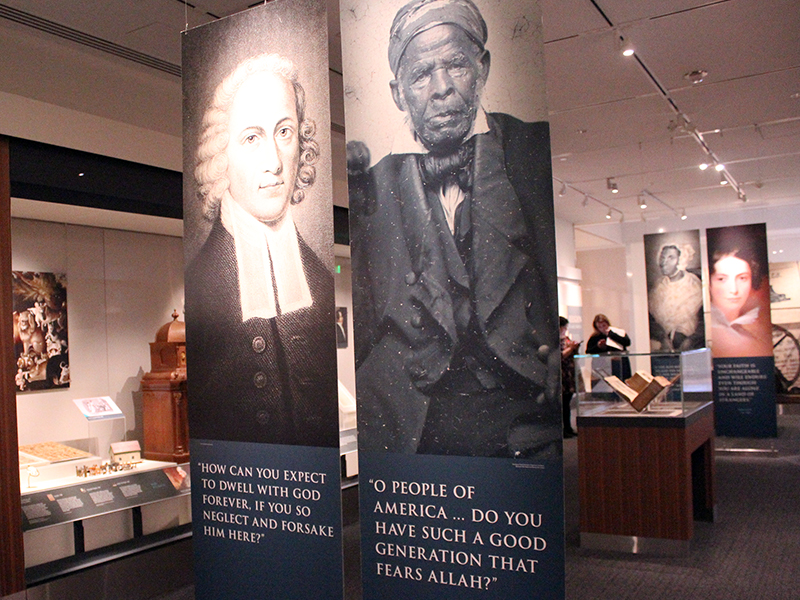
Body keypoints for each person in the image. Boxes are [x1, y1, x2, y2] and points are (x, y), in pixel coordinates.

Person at [349, 0, 560, 457]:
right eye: (422, 74)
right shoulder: (370, 190)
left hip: (523, 418)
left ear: (482, 68)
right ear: (397, 92)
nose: (442, 88)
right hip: (412, 429)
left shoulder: (530, 153)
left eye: (456, 65)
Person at [185, 53, 338, 447]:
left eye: (284, 132)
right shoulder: (201, 282)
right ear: (221, 155)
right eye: (252, 138)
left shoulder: (320, 280)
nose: (273, 162)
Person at [709, 243, 772, 357]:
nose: (734, 290)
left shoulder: (748, 332)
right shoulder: (713, 333)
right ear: (709, 284)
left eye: (742, 278)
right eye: (722, 279)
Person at [648, 244, 704, 352]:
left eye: (670, 257)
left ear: (680, 260)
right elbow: (652, 320)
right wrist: (663, 338)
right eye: (662, 257)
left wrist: (690, 340)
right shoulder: (657, 287)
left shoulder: (694, 285)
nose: (664, 262)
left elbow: (702, 323)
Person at [560, 317, 580, 438]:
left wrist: (575, 348)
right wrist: (571, 348)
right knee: (563, 403)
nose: (565, 329)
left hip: (569, 373)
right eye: (564, 327)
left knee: (567, 402)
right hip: (562, 374)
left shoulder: (565, 339)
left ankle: (568, 427)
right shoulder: (555, 340)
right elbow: (560, 356)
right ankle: (563, 429)